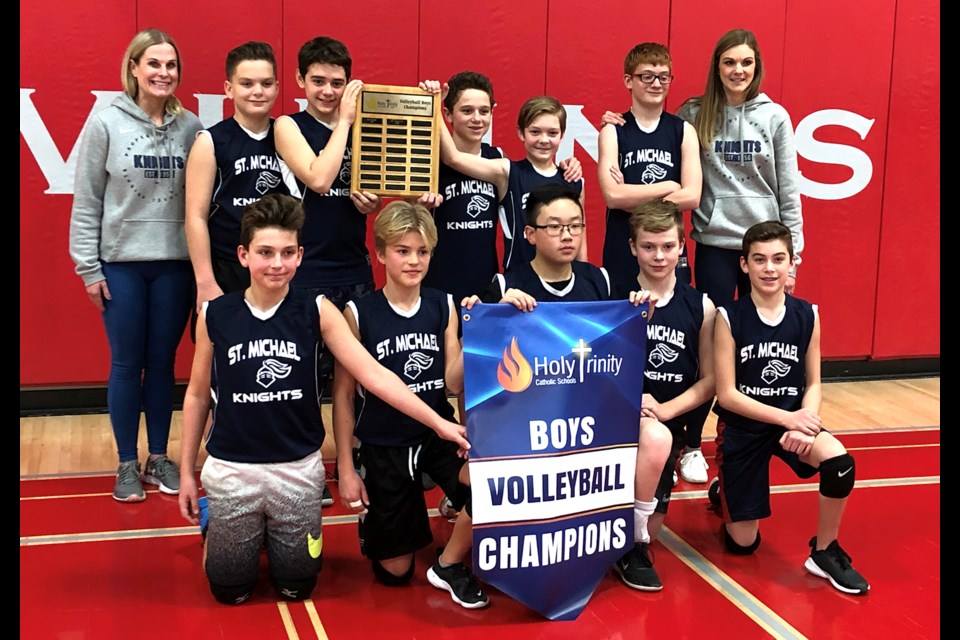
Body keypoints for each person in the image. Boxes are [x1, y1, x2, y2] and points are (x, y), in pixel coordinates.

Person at [177, 194, 470, 606]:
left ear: (300, 255)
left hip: (297, 468)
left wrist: (439, 423)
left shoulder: (317, 310)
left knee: (297, 586)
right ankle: (221, 523)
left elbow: (374, 374)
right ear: (243, 256)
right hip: (233, 467)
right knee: (231, 591)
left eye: (286, 253)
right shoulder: (215, 314)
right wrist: (189, 472)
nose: (276, 264)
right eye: (265, 253)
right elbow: (195, 395)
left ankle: (264, 529)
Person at [463, 184, 672, 590]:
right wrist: (495, 316)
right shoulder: (506, 285)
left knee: (655, 437)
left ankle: (629, 541)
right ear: (530, 234)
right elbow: (475, 371)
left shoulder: (602, 280)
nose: (567, 235)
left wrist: (637, 316)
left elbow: (618, 352)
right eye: (555, 226)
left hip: (590, 417)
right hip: (525, 423)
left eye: (575, 225)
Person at [69, 28, 203, 503]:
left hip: (174, 265)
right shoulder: (106, 123)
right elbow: (87, 201)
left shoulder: (192, 128)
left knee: (164, 364)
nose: (163, 73)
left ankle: (159, 458)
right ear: (134, 68)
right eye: (154, 64)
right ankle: (127, 462)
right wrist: (89, 267)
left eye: (171, 65)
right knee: (127, 364)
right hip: (122, 265)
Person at [332, 201, 487, 609]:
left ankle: (450, 561)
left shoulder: (444, 304)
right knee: (394, 574)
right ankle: (380, 520)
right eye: (403, 250)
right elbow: (345, 396)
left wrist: (477, 334)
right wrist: (346, 468)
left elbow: (453, 381)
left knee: (489, 485)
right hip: (385, 442)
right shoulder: (358, 313)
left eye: (422, 252)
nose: (414, 260)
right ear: (381, 253)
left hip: (437, 434)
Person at [711, 221, 869, 595]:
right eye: (760, 259)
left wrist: (805, 425)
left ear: (791, 263)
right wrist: (789, 418)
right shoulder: (727, 317)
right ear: (745, 265)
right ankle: (724, 494)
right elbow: (728, 394)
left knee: (840, 462)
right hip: (744, 428)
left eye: (778, 259)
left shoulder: (807, 314)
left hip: (792, 425)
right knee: (744, 544)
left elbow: (813, 382)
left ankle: (825, 551)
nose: (770, 268)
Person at [612, 199, 716, 591]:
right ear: (632, 247)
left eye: (668, 246)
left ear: (681, 247)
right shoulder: (613, 295)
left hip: (664, 428)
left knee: (648, 533)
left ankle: (632, 540)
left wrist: (664, 409)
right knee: (625, 535)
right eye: (649, 247)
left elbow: (710, 381)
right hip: (613, 426)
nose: (659, 256)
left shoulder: (701, 306)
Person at [677, 28, 804, 311]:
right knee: (713, 328)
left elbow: (789, 192)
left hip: (765, 245)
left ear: (756, 67)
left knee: (759, 332)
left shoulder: (774, 116)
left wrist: (792, 261)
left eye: (746, 62)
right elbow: (657, 136)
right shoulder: (694, 114)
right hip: (715, 242)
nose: (738, 70)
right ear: (717, 67)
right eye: (730, 62)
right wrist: (618, 122)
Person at [421, 81, 584, 273]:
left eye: (552, 133)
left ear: (563, 135)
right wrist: (432, 104)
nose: (543, 139)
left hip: (555, 280)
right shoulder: (507, 170)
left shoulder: (573, 179)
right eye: (535, 132)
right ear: (521, 133)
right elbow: (453, 158)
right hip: (517, 282)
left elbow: (581, 242)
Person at [185, 40, 291, 317]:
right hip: (227, 267)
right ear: (228, 89)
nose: (258, 91)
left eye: (266, 84)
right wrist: (205, 281)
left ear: (277, 88)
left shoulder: (289, 138)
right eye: (247, 84)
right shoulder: (211, 142)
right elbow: (195, 217)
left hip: (278, 268)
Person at [597, 42, 701, 295]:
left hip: (667, 248)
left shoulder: (683, 131)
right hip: (623, 246)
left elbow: (692, 196)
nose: (656, 84)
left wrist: (632, 196)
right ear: (628, 80)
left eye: (663, 77)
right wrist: (668, 187)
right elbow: (613, 196)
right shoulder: (613, 131)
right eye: (647, 77)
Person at [422, 71, 504, 304]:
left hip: (484, 284)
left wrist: (566, 167)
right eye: (467, 111)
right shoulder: (430, 159)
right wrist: (421, 208)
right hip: (440, 282)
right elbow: (409, 219)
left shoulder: (497, 157)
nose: (477, 119)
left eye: (484, 111)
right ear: (447, 114)